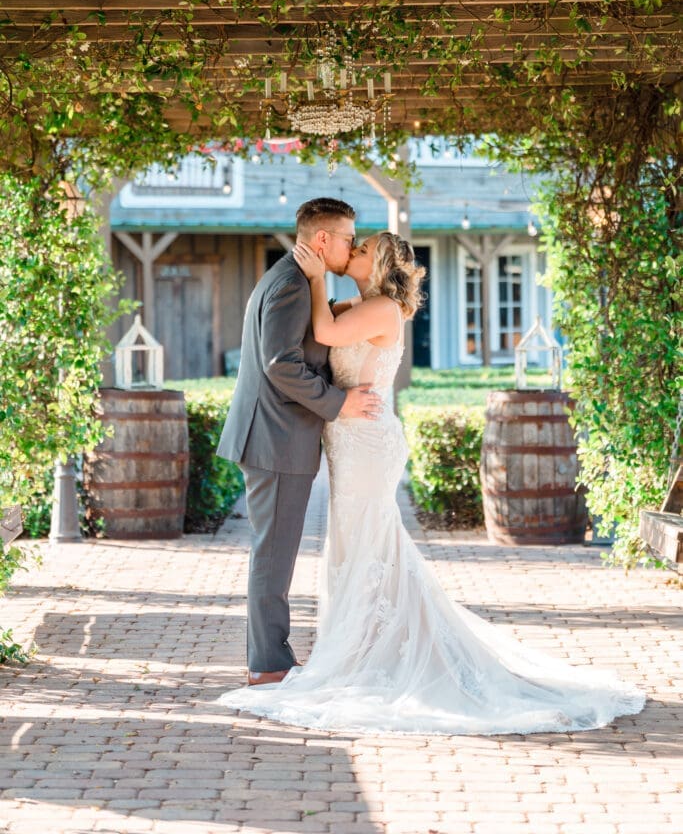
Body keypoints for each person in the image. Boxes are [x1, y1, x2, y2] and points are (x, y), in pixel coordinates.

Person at [218, 230, 645, 734]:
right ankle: (364, 648)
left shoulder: (383, 309)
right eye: (351, 246)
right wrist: (316, 288)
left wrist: (313, 278)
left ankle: (373, 655)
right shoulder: (361, 300)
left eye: (361, 250)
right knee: (356, 544)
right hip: (347, 438)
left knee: (368, 542)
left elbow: (328, 334)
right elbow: (322, 330)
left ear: (379, 264)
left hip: (367, 442)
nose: (351, 254)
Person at [216, 198, 382, 687]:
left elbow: (314, 335)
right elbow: (281, 363)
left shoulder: (294, 278)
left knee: (275, 551)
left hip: (274, 435)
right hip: (276, 438)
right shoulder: (290, 284)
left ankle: (270, 656)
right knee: (274, 554)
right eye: (349, 238)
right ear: (323, 239)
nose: (352, 245)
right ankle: (269, 663)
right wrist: (339, 402)